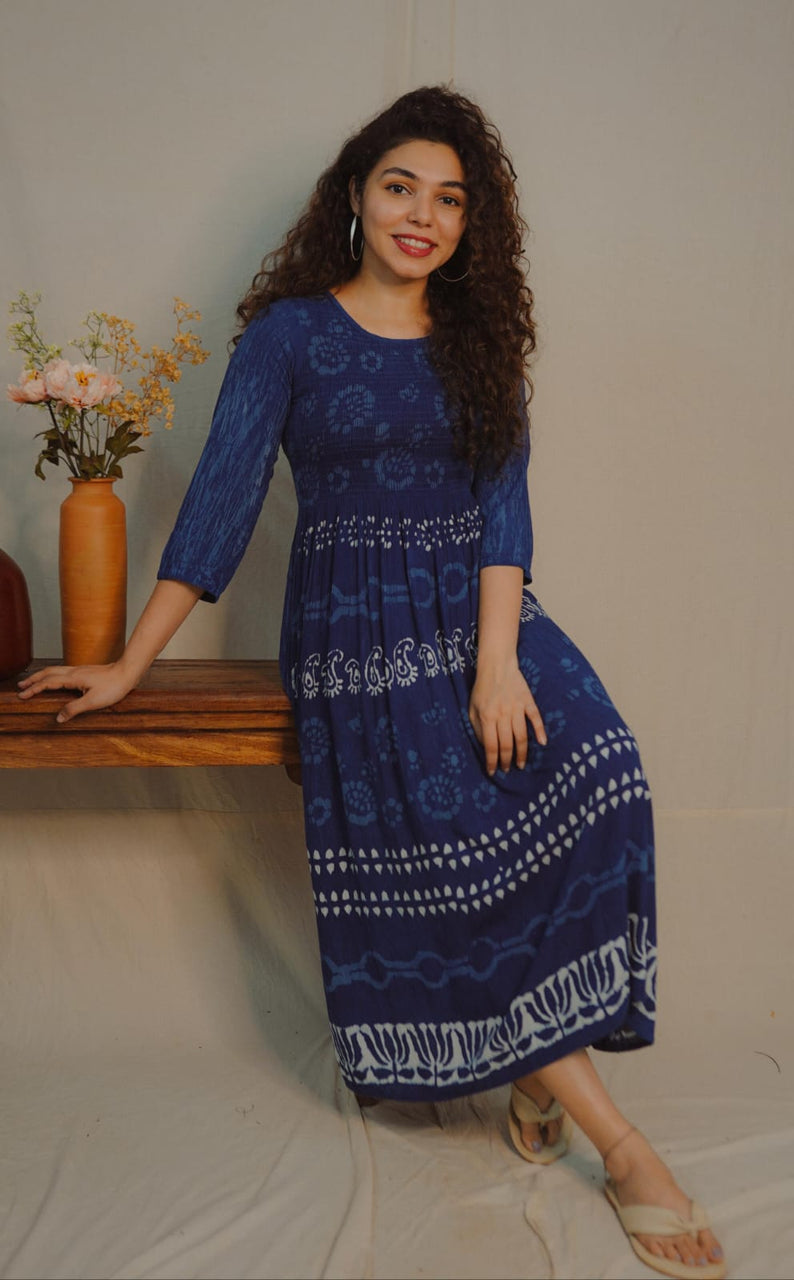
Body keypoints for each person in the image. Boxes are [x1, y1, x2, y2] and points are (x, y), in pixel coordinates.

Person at [19, 86, 725, 1278]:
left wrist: (496, 663)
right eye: (400, 187)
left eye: (448, 200)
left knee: (604, 769)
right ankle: (620, 1145)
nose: (421, 215)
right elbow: (221, 502)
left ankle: (538, 1068)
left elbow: (503, 512)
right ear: (354, 193)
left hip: (478, 608)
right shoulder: (289, 335)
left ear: (468, 224)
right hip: (353, 624)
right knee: (458, 839)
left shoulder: (477, 339)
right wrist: (131, 662)